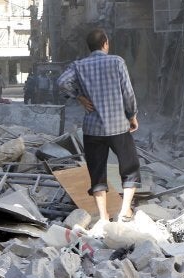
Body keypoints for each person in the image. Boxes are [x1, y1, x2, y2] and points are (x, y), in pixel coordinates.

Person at [57, 28, 140, 234]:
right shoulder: (117, 62)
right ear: (105, 43)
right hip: (118, 125)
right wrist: (132, 115)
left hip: (93, 129)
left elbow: (61, 82)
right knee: (129, 168)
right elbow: (127, 92)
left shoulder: (79, 65)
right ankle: (124, 211)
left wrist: (78, 96)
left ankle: (103, 217)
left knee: (97, 172)